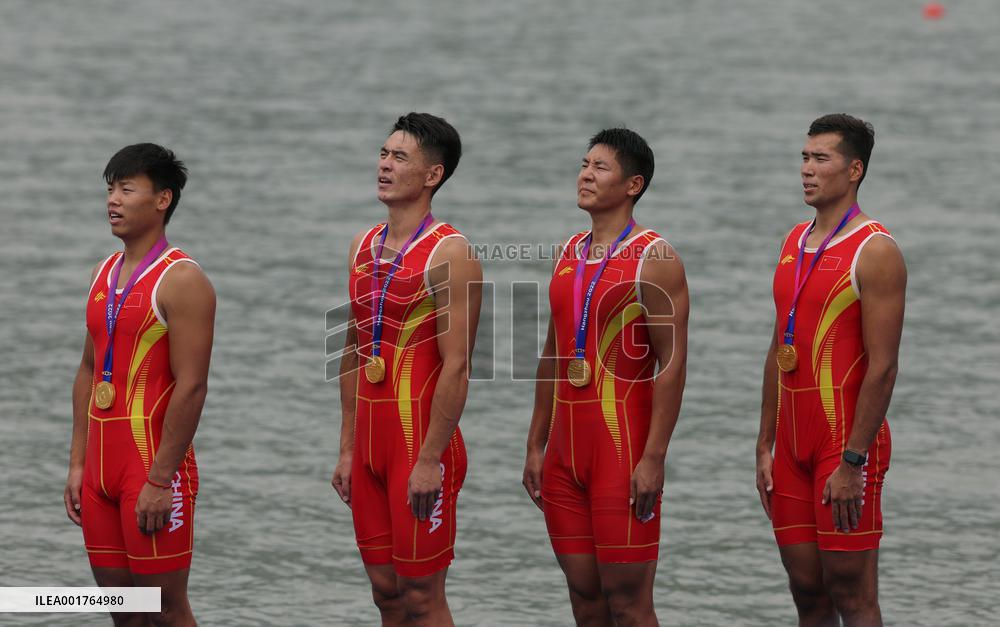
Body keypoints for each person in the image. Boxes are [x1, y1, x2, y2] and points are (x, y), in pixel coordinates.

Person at [522, 128, 689, 626]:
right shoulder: (568, 252)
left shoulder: (656, 259)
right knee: (586, 601)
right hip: (564, 455)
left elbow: (672, 364)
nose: (585, 176)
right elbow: (552, 354)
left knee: (629, 605)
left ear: (633, 184)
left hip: (622, 450)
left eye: (600, 168)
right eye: (584, 164)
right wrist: (535, 444)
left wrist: (654, 458)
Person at [331, 112, 482, 626]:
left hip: (419, 445)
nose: (385, 165)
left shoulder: (451, 253)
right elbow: (352, 351)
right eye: (383, 153)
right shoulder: (361, 246)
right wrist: (347, 447)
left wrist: (430, 459)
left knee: (421, 596)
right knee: (386, 594)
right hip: (369, 448)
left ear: (433, 175)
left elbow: (457, 367)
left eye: (400, 157)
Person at [755, 114, 906, 627]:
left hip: (843, 445)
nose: (806, 169)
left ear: (854, 170)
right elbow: (779, 346)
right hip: (791, 446)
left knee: (851, 592)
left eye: (821, 159)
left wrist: (853, 462)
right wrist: (765, 444)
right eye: (804, 157)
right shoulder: (793, 241)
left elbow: (883, 368)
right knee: (806, 591)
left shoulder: (875, 251)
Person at [65, 143, 216, 627]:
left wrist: (160, 480)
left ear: (162, 199)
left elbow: (192, 387)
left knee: (166, 611)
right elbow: (88, 370)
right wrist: (77, 463)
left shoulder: (182, 280)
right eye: (111, 189)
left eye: (127, 189)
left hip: (150, 468)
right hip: (99, 472)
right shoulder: (101, 273)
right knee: (124, 613)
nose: (113, 200)